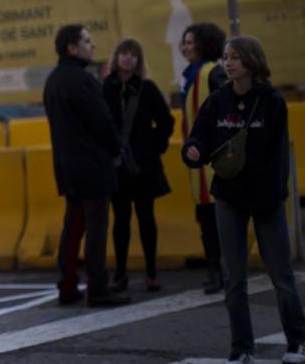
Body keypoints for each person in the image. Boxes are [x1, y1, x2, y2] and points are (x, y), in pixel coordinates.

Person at [183, 36, 305, 364]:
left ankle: (297, 343)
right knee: (234, 279)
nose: (228, 62)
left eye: (235, 57)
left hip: (266, 200)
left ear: (251, 61)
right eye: (225, 57)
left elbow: (280, 158)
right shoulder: (218, 100)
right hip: (229, 198)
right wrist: (192, 150)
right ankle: (241, 348)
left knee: (281, 276)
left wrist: (274, 196)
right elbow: (199, 138)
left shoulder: (271, 101)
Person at [43, 25, 128, 307]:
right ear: (72, 47)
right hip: (92, 165)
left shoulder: (53, 80)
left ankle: (67, 286)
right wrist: (117, 149)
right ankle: (98, 287)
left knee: (73, 227)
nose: (92, 46)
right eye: (87, 41)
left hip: (67, 166)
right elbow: (101, 121)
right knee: (96, 228)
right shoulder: (82, 80)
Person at [102, 38, 174, 292]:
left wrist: (152, 147)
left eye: (134, 54)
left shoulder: (147, 89)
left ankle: (152, 272)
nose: (128, 58)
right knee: (120, 221)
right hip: (116, 168)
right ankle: (120, 273)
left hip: (144, 168)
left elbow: (166, 122)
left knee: (146, 219)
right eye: (124, 53)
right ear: (116, 57)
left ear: (139, 60)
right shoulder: (105, 89)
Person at [181, 22, 228, 294]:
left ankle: (219, 272)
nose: (186, 47)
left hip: (211, 161)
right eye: (184, 42)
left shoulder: (211, 72)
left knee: (213, 217)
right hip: (198, 160)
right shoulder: (191, 75)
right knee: (206, 216)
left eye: (191, 42)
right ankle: (216, 271)